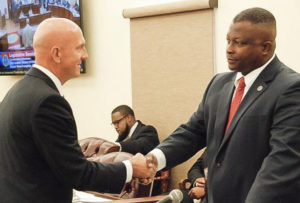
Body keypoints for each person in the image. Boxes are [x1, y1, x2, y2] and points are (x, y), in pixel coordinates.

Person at [138, 7, 300, 203]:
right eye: (228, 40)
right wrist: (155, 159)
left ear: (265, 48)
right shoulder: (219, 84)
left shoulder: (290, 88)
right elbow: (192, 133)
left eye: (239, 43)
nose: (229, 49)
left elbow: (282, 162)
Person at [0, 18, 153, 203]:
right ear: (57, 54)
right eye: (80, 47)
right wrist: (131, 168)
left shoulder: (17, 92)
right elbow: (78, 173)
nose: (85, 55)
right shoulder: (48, 101)